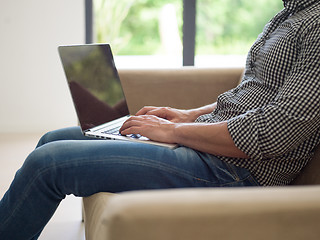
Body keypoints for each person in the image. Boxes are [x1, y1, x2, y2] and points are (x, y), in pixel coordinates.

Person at [1, 0, 320, 239]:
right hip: (211, 147)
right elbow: (251, 94)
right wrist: (190, 115)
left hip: (233, 169)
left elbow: (272, 131)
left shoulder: (316, 24)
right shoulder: (288, 14)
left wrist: (175, 131)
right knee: (52, 139)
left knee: (49, 163)